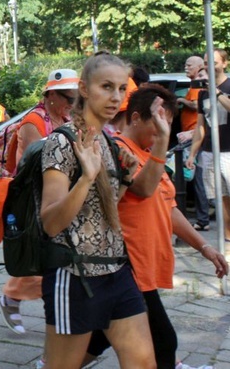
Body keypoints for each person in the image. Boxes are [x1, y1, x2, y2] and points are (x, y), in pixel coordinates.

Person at [81, 84, 228, 369]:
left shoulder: (150, 153)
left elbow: (168, 207)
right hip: (126, 266)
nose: (163, 128)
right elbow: (145, 189)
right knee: (163, 341)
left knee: (101, 335)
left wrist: (205, 247)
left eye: (168, 122)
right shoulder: (120, 151)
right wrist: (162, 142)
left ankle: (57, 363)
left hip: (146, 265)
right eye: (158, 120)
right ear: (136, 117)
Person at [39, 53, 155, 368]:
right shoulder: (62, 143)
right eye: (106, 87)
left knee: (144, 362)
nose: (115, 97)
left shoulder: (106, 139)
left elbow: (101, 212)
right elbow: (50, 223)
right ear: (85, 89)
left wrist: (125, 179)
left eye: (121, 88)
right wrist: (87, 178)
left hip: (116, 271)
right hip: (75, 275)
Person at [0, 69, 78, 336]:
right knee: (46, 262)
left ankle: (16, 299)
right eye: (68, 97)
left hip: (56, 197)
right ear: (51, 95)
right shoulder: (34, 121)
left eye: (76, 97)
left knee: (48, 263)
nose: (72, 103)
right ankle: (57, 327)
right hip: (35, 203)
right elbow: (35, 167)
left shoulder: (64, 117)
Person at [187, 49, 230, 244]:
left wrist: (217, 92)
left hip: (229, 150)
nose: (208, 66)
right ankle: (227, 237)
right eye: (206, 62)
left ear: (224, 63)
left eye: (213, 62)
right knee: (219, 197)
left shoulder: (226, 86)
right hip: (210, 151)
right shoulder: (202, 93)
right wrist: (192, 153)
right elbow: (200, 126)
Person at [177, 56, 213, 231]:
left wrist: (181, 101)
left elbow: (204, 121)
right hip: (194, 140)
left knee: (199, 179)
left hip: (199, 141)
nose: (186, 67)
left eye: (189, 65)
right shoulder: (196, 89)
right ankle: (202, 217)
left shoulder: (205, 92)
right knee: (197, 178)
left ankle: (203, 218)